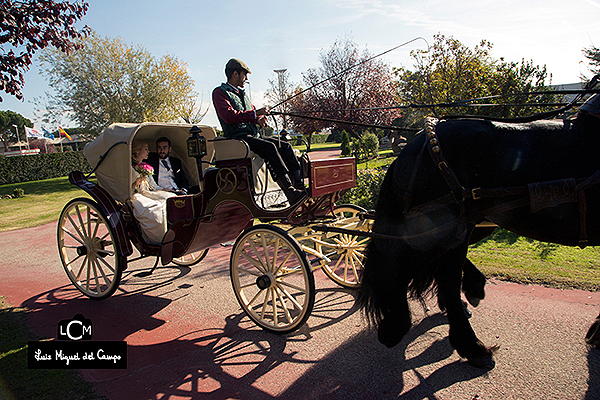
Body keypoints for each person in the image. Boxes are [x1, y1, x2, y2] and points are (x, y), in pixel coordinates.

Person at [212, 58, 305, 205]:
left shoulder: (242, 94)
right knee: (269, 147)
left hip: (251, 136)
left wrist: (259, 118)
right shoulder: (220, 93)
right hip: (237, 137)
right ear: (235, 74)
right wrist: (255, 115)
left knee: (285, 146)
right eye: (245, 74)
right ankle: (289, 191)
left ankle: (299, 185)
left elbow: (251, 112)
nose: (246, 78)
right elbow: (229, 116)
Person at [129, 140, 177, 245]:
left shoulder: (145, 166)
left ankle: (174, 231)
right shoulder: (130, 168)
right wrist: (137, 181)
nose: (148, 152)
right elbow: (129, 189)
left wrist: (170, 191)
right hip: (136, 195)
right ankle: (159, 238)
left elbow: (154, 186)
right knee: (156, 208)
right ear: (137, 151)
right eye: (145, 149)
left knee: (170, 197)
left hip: (148, 192)